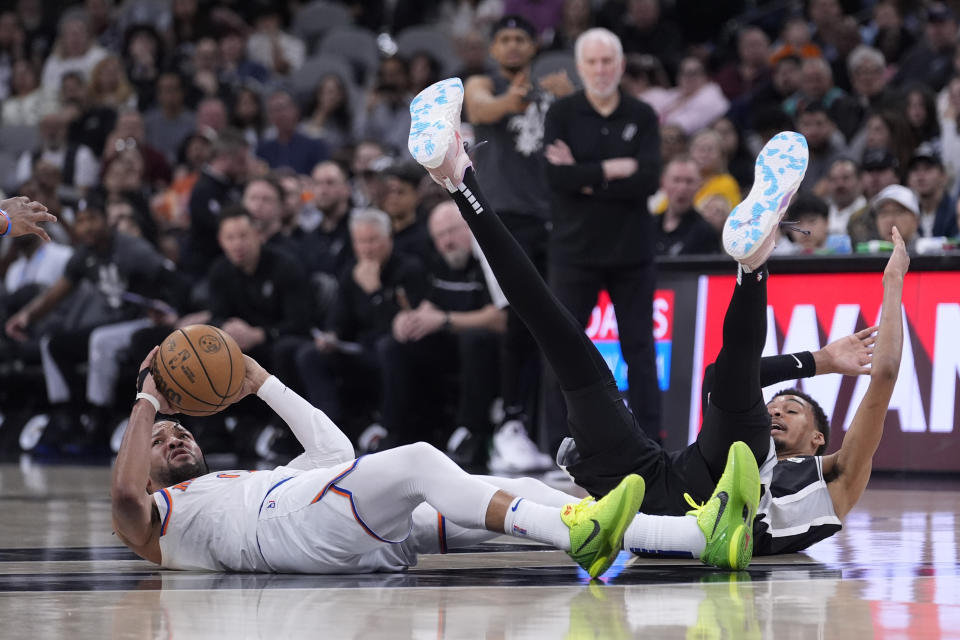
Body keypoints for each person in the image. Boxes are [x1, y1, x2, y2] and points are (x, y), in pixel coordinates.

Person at [408, 76, 908, 555]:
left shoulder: (837, 478)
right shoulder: (750, 436)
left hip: (699, 494)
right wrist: (816, 360)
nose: (777, 410)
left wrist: (894, 285)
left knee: (578, 357)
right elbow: (724, 377)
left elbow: (883, 373)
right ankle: (456, 176)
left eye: (792, 411)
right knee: (553, 323)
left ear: (819, 439)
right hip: (656, 477)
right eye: (778, 407)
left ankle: (755, 261)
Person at [112, 347, 645, 579]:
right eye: (160, 441)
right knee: (417, 461)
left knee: (515, 485)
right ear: (142, 460)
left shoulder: (242, 483)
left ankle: (688, 534)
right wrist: (149, 402)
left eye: (181, 430)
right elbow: (124, 494)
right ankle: (573, 533)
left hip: (321, 529)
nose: (176, 438)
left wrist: (262, 383)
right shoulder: (156, 519)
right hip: (293, 533)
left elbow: (333, 455)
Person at [464, 14, 574, 471]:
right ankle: (509, 422)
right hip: (500, 219)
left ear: (533, 46)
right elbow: (485, 110)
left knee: (551, 323)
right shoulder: (480, 82)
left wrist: (570, 98)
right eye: (504, 40)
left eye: (520, 39)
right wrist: (528, 94)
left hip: (552, 217)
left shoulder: (555, 87)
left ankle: (544, 427)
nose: (512, 47)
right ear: (494, 48)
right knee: (515, 319)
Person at [542, 27, 662, 444]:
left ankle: (651, 443)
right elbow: (557, 177)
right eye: (592, 62)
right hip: (574, 251)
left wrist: (586, 175)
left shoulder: (642, 114)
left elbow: (647, 179)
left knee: (640, 352)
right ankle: (559, 442)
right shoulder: (561, 114)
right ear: (579, 67)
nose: (600, 69)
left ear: (621, 64)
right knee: (562, 347)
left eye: (607, 60)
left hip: (632, 251)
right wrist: (614, 169)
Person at [380, 200, 505, 458]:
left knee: (474, 340)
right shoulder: (438, 262)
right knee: (394, 345)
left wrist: (446, 320)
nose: (447, 241)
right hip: (449, 345)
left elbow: (501, 320)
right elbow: (428, 305)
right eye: (440, 235)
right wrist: (407, 320)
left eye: (452, 231)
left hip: (491, 346)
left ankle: (470, 432)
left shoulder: (488, 259)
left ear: (469, 228)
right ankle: (397, 432)